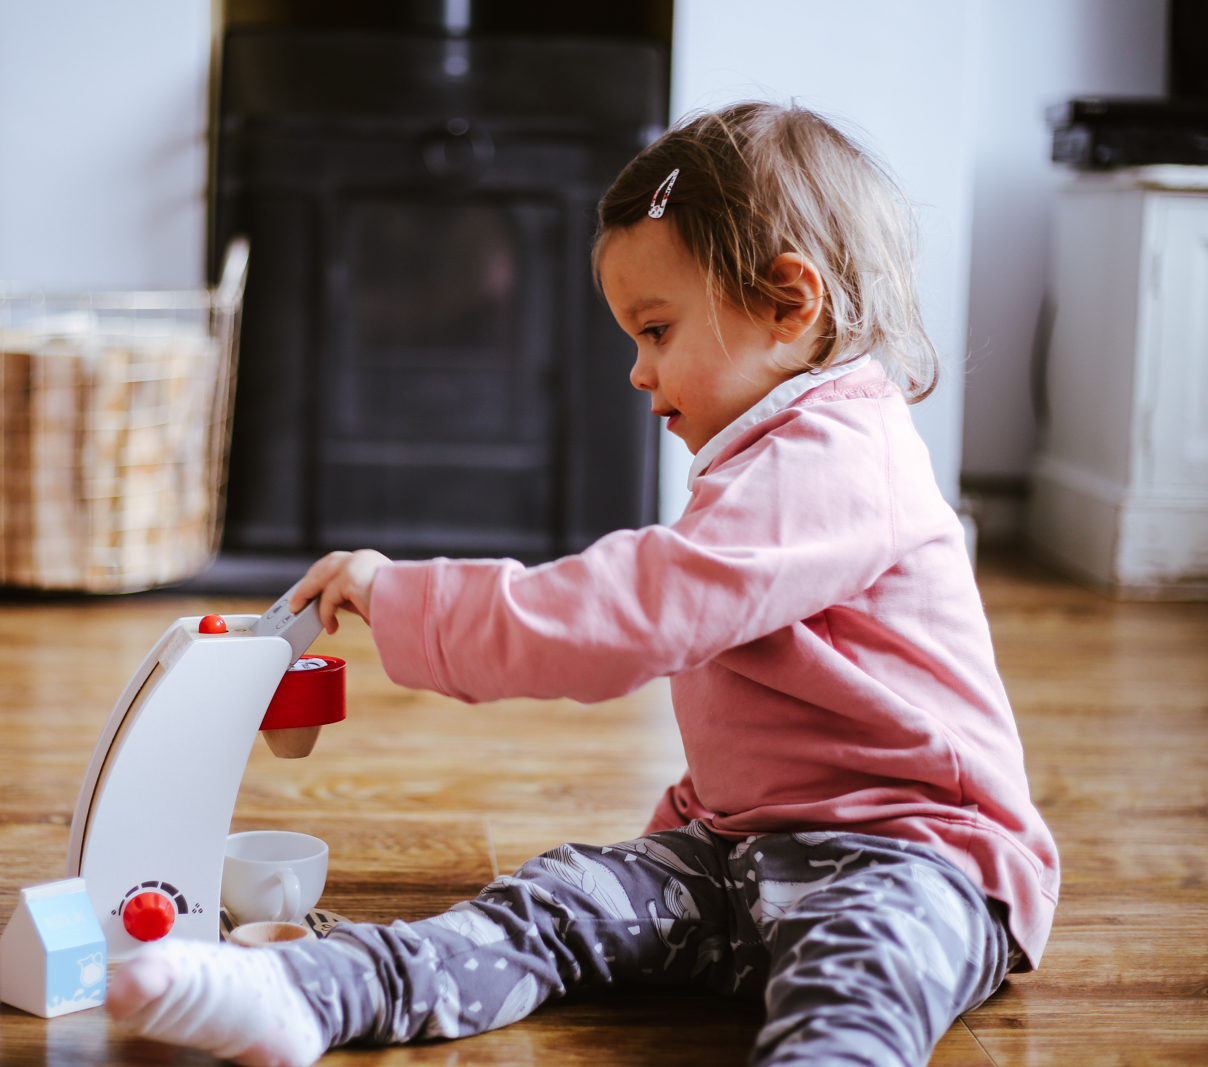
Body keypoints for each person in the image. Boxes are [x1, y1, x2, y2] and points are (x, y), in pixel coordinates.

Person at [103, 102, 1059, 1067]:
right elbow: (769, 716)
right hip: (737, 856)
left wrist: (406, 597)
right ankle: (309, 992)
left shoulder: (843, 458)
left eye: (656, 329)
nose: (638, 373)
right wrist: (677, 838)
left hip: (916, 860)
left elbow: (634, 613)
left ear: (787, 302)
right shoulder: (757, 462)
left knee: (855, 981)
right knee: (553, 901)